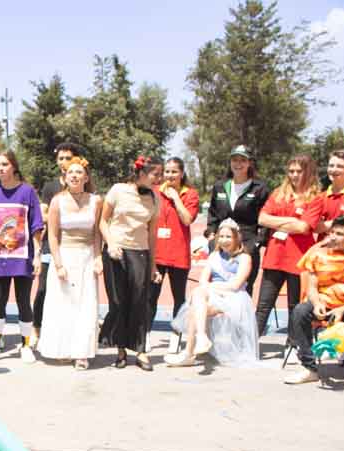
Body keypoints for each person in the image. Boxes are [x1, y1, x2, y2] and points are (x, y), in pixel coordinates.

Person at [0, 150, 44, 365]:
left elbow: (36, 226)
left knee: (24, 301)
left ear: (14, 166)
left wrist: (37, 255)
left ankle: (26, 346)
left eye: (5, 164)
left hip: (23, 256)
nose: (0, 168)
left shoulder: (27, 192)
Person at [165, 219, 258, 367]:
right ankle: (200, 338)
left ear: (236, 238)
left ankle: (189, 353)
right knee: (198, 295)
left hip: (234, 299)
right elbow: (202, 280)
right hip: (211, 296)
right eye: (221, 236)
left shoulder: (245, 258)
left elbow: (235, 285)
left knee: (196, 302)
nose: (224, 240)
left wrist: (212, 287)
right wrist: (209, 288)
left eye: (228, 237)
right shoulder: (213, 256)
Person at [37, 158, 101, 369]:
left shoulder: (95, 201)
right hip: (64, 255)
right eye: (70, 172)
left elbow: (97, 234)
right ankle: (62, 348)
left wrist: (98, 257)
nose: (74, 175)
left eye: (79, 172)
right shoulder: (57, 201)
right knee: (64, 303)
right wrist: (58, 264)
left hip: (87, 257)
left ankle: (81, 352)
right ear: (65, 177)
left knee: (86, 304)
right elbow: (53, 236)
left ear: (86, 177)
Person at [99, 156, 162, 371]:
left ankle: (141, 351)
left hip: (140, 253)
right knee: (118, 301)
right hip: (116, 252)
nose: (159, 178)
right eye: (155, 174)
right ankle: (121, 350)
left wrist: (153, 265)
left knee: (139, 301)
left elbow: (152, 234)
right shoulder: (117, 190)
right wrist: (111, 243)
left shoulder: (154, 198)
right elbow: (103, 221)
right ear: (142, 173)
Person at [285, 215, 344, 386]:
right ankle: (309, 368)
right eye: (332, 232)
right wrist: (317, 303)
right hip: (324, 302)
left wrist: (343, 309)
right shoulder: (317, 252)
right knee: (300, 311)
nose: (332, 236)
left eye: (340, 234)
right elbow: (312, 287)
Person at [254, 155, 324, 339]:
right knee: (263, 305)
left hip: (299, 259)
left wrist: (277, 222)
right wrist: (292, 220)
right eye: (291, 171)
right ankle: (250, 344)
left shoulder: (316, 198)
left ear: (308, 172)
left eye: (299, 171)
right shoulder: (278, 193)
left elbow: (304, 228)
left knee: (295, 306)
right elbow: (262, 219)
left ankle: (293, 345)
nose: (294, 175)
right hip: (274, 258)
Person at [205, 145, 270, 295]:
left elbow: (266, 219)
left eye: (243, 160)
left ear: (249, 163)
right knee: (216, 288)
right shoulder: (220, 186)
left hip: (246, 247)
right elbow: (213, 214)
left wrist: (256, 243)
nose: (238, 164)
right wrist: (211, 236)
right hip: (220, 245)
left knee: (243, 290)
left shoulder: (260, 188)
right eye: (234, 160)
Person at [35, 142, 82, 343]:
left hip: (76, 247)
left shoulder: (83, 184)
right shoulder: (50, 187)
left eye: (68, 158)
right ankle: (36, 329)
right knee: (44, 288)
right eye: (61, 158)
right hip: (50, 245)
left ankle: (68, 332)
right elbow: (43, 216)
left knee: (71, 290)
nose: (64, 162)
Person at [149, 157, 199, 334]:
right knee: (151, 297)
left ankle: (176, 337)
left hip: (179, 255)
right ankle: (145, 336)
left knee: (179, 298)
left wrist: (176, 198)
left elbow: (187, 220)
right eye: (167, 172)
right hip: (157, 254)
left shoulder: (190, 194)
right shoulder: (154, 192)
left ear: (182, 173)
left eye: (174, 172)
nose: (170, 175)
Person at [318, 149, 344, 231]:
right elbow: (314, 227)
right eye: (331, 166)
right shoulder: (320, 197)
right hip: (322, 244)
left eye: (340, 166)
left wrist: (323, 225)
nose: (334, 170)